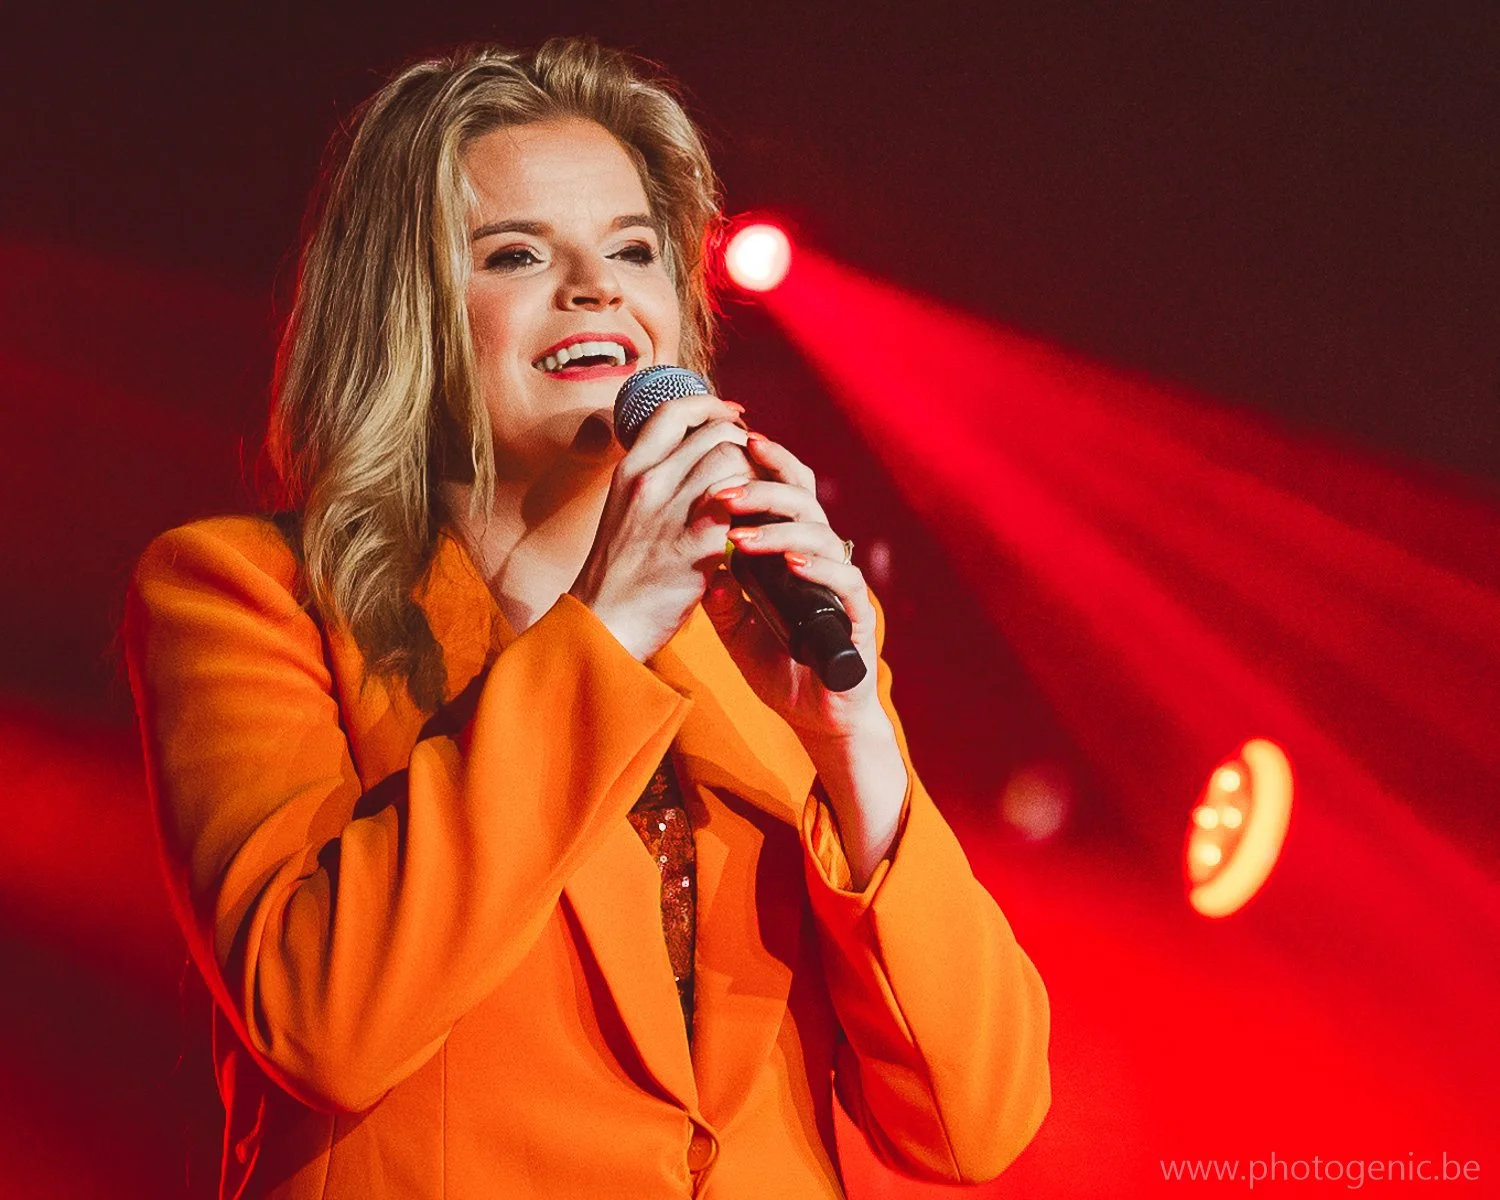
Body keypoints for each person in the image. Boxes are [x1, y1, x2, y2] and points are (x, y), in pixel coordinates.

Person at [123, 37, 1050, 1199]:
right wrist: (601, 633)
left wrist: (855, 738)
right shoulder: (247, 596)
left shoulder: (762, 633)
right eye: (517, 253)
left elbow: (977, 1124)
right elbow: (324, 1019)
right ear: (405, 314)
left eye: (633, 250)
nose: (598, 286)